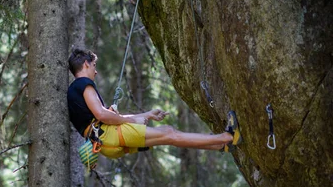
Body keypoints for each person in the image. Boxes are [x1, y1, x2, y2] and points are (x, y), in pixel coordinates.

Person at [67, 49, 241, 159]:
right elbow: (103, 115)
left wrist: (146, 115)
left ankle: (220, 145)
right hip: (108, 136)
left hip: (106, 144)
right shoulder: (82, 84)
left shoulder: (74, 92)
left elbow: (106, 118)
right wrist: (132, 121)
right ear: (85, 64)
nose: (95, 71)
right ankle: (227, 137)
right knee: (169, 133)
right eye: (94, 65)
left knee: (168, 136)